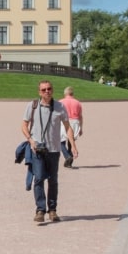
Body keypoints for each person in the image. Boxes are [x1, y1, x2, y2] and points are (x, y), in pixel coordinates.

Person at [22, 80, 78, 224]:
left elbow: (67, 127)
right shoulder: (32, 106)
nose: (47, 91)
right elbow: (23, 125)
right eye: (44, 90)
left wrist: (73, 146)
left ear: (52, 90)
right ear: (39, 92)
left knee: (53, 180)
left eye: (49, 89)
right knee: (39, 178)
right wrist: (30, 140)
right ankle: (40, 210)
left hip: (54, 150)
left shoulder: (60, 107)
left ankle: (52, 210)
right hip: (37, 149)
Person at [58, 86, 83, 167]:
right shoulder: (78, 103)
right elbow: (80, 116)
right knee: (71, 143)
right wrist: (81, 128)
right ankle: (69, 161)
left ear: (65, 93)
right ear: (72, 93)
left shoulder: (61, 102)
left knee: (61, 142)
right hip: (75, 122)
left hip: (65, 122)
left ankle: (67, 156)